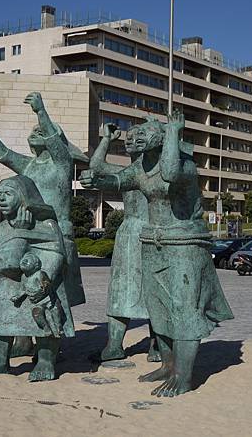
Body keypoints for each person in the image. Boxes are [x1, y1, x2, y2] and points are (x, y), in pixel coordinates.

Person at [80, 112, 234, 397]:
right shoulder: (140, 168)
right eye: (134, 134)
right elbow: (115, 180)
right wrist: (95, 179)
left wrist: (174, 130)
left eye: (143, 133)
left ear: (161, 138)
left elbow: (170, 173)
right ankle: (167, 364)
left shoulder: (184, 165)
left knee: (184, 310)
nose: (134, 137)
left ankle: (183, 375)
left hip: (185, 243)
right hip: (153, 242)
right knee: (159, 308)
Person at [0, 92, 85, 356]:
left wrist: (40, 112)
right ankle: (23, 340)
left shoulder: (62, 163)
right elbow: (5, 155)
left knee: (47, 292)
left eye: (41, 131)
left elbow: (57, 143)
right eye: (34, 130)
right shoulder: (30, 165)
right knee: (18, 286)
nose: (35, 133)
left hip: (55, 235)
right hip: (28, 232)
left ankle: (48, 351)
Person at [0, 175, 74, 382]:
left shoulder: (47, 223)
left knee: (46, 316)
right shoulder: (3, 226)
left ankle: (45, 362)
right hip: (10, 282)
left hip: (39, 283)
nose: (2, 199)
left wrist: (44, 282)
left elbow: (56, 252)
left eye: (8, 194)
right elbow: (3, 257)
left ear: (24, 197)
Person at [88, 122, 160, 363]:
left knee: (154, 290)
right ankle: (116, 345)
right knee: (121, 291)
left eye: (137, 137)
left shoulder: (153, 170)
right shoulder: (129, 170)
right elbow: (96, 167)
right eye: (127, 138)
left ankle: (157, 345)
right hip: (129, 232)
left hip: (149, 232)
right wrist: (107, 139)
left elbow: (99, 174)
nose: (130, 141)